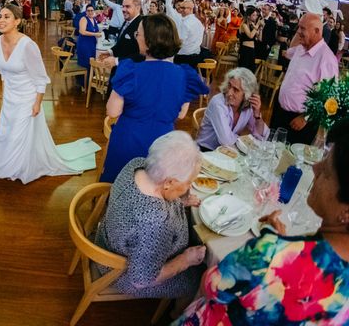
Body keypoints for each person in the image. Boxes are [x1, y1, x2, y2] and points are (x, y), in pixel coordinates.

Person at [173, 118, 349, 325]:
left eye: (327, 172)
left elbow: (211, 285)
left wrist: (274, 242)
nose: (316, 168)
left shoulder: (273, 253)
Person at [95, 131, 205, 316]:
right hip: (119, 271)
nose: (189, 187)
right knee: (198, 278)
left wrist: (181, 201)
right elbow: (142, 279)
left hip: (106, 237)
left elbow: (155, 196)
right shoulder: (155, 222)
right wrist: (185, 260)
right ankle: (176, 316)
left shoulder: (137, 164)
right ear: (169, 182)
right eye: (188, 182)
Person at [0, 4, 98, 184]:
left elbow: (40, 78)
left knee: (19, 134)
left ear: (18, 21)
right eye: (0, 16)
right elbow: (1, 69)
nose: (1, 19)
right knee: (7, 131)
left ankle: (22, 167)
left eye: (7, 16)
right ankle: (9, 163)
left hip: (27, 97)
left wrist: (37, 103)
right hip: (9, 96)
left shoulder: (27, 46)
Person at [99, 15, 208, 183]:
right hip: (162, 146)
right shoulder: (184, 75)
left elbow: (112, 111)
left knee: (121, 187)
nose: (136, 37)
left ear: (148, 40)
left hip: (129, 140)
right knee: (152, 189)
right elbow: (181, 114)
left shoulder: (130, 70)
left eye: (138, 34)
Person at [271, 12, 338, 144]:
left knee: (290, 160)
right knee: (271, 150)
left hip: (299, 120)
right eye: (298, 27)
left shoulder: (327, 59)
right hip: (280, 112)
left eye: (302, 28)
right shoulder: (301, 48)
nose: (298, 31)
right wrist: (301, 30)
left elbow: (329, 97)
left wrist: (305, 118)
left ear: (317, 31)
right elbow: (287, 52)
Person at [197, 68, 269, 151]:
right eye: (229, 86)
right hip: (206, 151)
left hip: (228, 152)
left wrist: (257, 116)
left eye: (236, 90)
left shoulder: (248, 106)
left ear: (247, 95)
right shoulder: (218, 103)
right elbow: (226, 141)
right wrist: (246, 141)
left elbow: (263, 135)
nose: (229, 93)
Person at [99, 0, 144, 69]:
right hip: (120, 70)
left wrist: (117, 61)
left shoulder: (142, 24)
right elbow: (121, 43)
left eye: (127, 6)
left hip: (130, 72)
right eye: (123, 6)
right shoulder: (126, 21)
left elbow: (142, 54)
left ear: (137, 8)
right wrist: (110, 52)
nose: (123, 9)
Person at [168, 0, 204, 69]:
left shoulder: (186, 23)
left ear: (191, 9)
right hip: (196, 56)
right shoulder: (198, 22)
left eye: (184, 8)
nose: (181, 10)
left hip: (184, 57)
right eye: (181, 7)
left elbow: (180, 41)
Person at [76, 5, 103, 86]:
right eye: (88, 10)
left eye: (92, 10)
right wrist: (95, 34)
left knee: (91, 61)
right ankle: (84, 83)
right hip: (84, 44)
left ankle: (91, 81)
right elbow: (82, 31)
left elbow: (97, 30)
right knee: (86, 62)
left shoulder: (94, 19)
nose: (90, 12)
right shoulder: (84, 19)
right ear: (86, 11)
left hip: (92, 43)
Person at [238, 6, 261, 71]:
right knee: (244, 69)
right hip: (245, 49)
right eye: (253, 15)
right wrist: (257, 26)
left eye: (256, 15)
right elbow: (250, 36)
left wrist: (260, 28)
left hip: (252, 50)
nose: (255, 17)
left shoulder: (252, 25)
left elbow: (258, 37)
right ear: (248, 16)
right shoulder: (244, 25)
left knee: (251, 70)